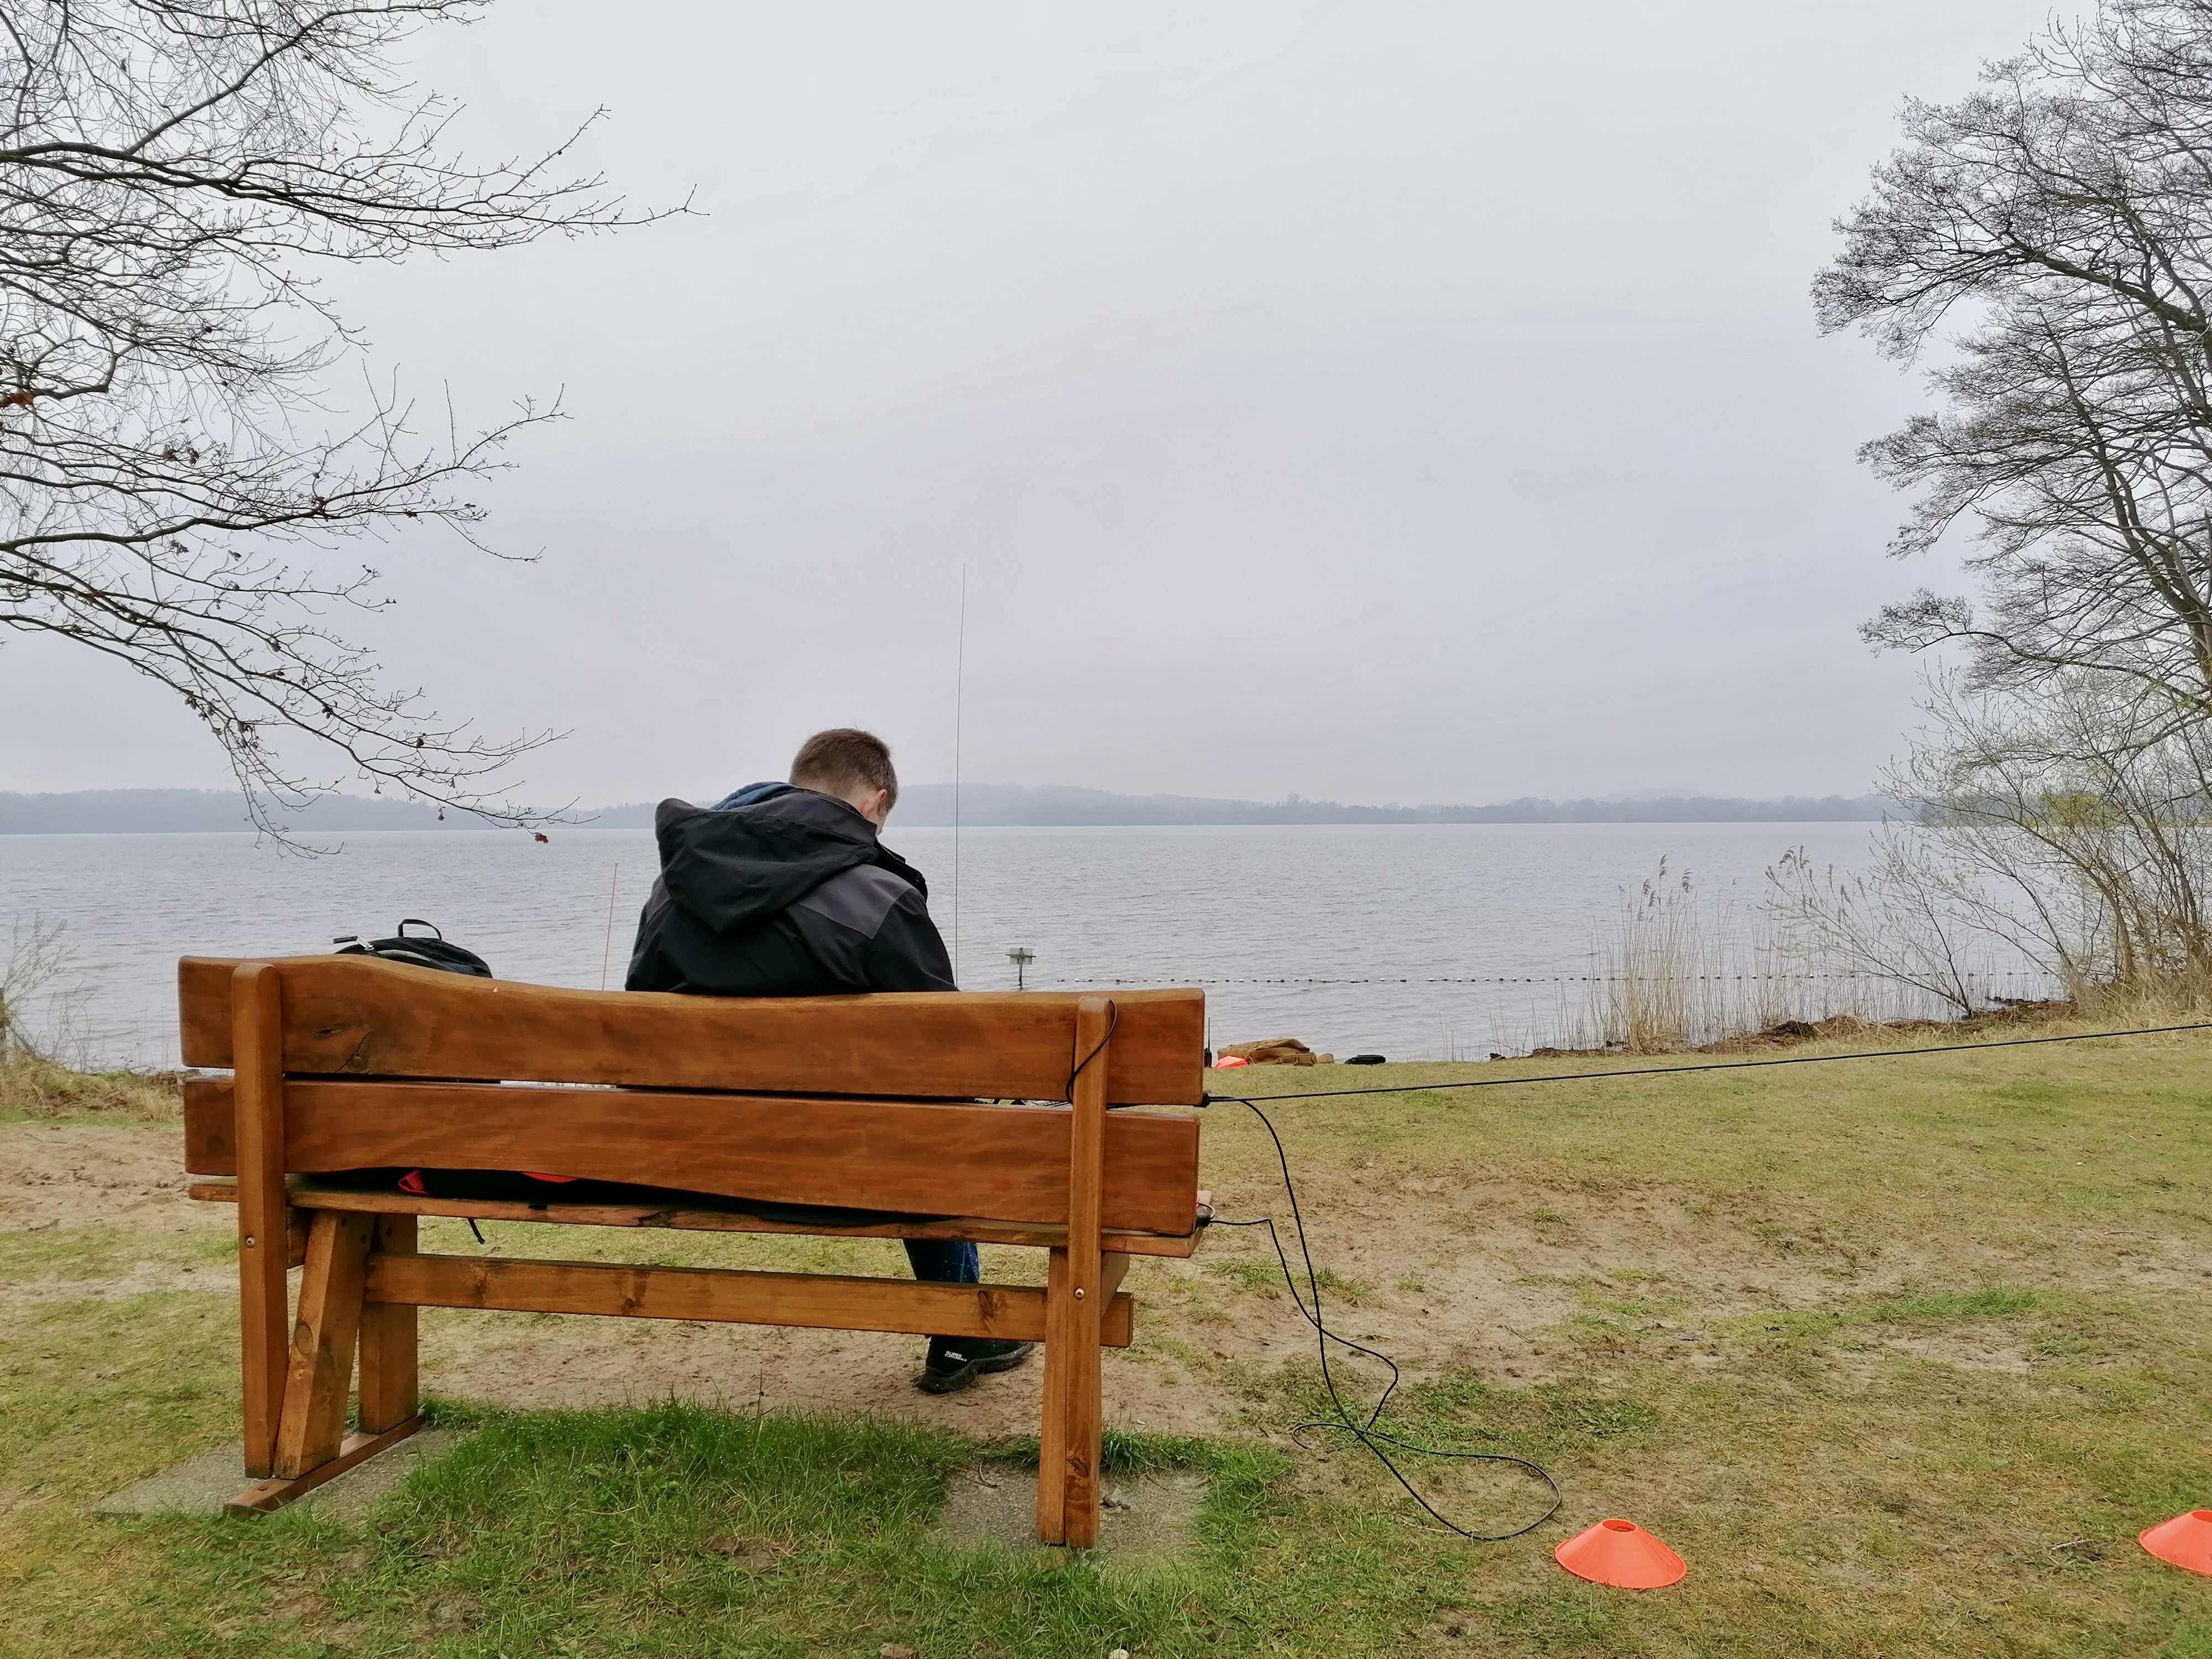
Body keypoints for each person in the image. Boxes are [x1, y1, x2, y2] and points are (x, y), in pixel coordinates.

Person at [625, 727, 1032, 1395]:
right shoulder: (879, 896)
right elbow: (954, 1059)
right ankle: (960, 1331)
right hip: (851, 1172)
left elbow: (638, 1025)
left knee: (917, 1118)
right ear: (875, 802)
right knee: (932, 1121)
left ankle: (962, 1328)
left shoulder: (672, 888)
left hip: (693, 1160)